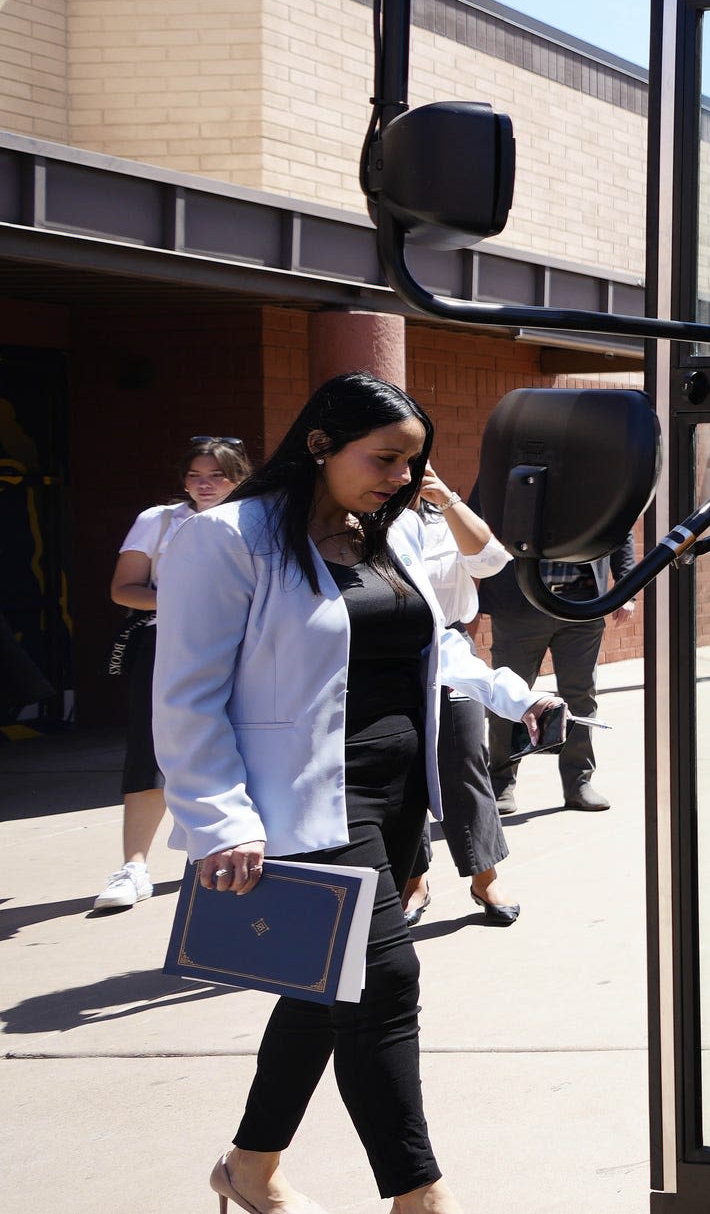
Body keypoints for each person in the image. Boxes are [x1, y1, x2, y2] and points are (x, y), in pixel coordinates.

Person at [155, 372, 559, 1214]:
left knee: (321, 988)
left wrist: (518, 696)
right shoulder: (226, 539)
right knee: (385, 985)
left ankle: (248, 1167)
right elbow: (186, 695)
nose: (403, 479)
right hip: (305, 805)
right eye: (386, 459)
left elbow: (428, 647)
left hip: (396, 796)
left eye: (413, 464)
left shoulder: (390, 535)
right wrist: (220, 819)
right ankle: (422, 1198)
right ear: (320, 444)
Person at [91, 436, 251, 913]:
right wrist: (184, 603)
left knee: (247, 743)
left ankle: (229, 850)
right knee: (152, 747)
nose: (204, 485)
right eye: (195, 476)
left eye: (217, 475)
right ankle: (134, 866)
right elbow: (124, 589)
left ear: (240, 477)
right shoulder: (159, 520)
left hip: (246, 642)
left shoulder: (257, 519)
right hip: (167, 643)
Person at [394, 481, 516, 928]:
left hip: (450, 648)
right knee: (401, 770)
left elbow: (490, 560)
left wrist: (444, 497)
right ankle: (414, 879)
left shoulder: (447, 517)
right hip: (387, 655)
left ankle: (485, 876)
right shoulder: (364, 521)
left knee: (465, 758)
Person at [481, 530, 631, 818]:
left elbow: (619, 529)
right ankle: (500, 783)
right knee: (507, 696)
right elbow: (478, 523)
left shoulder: (597, 485)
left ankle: (579, 784)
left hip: (582, 604)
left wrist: (626, 586)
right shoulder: (507, 482)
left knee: (581, 697)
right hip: (518, 605)